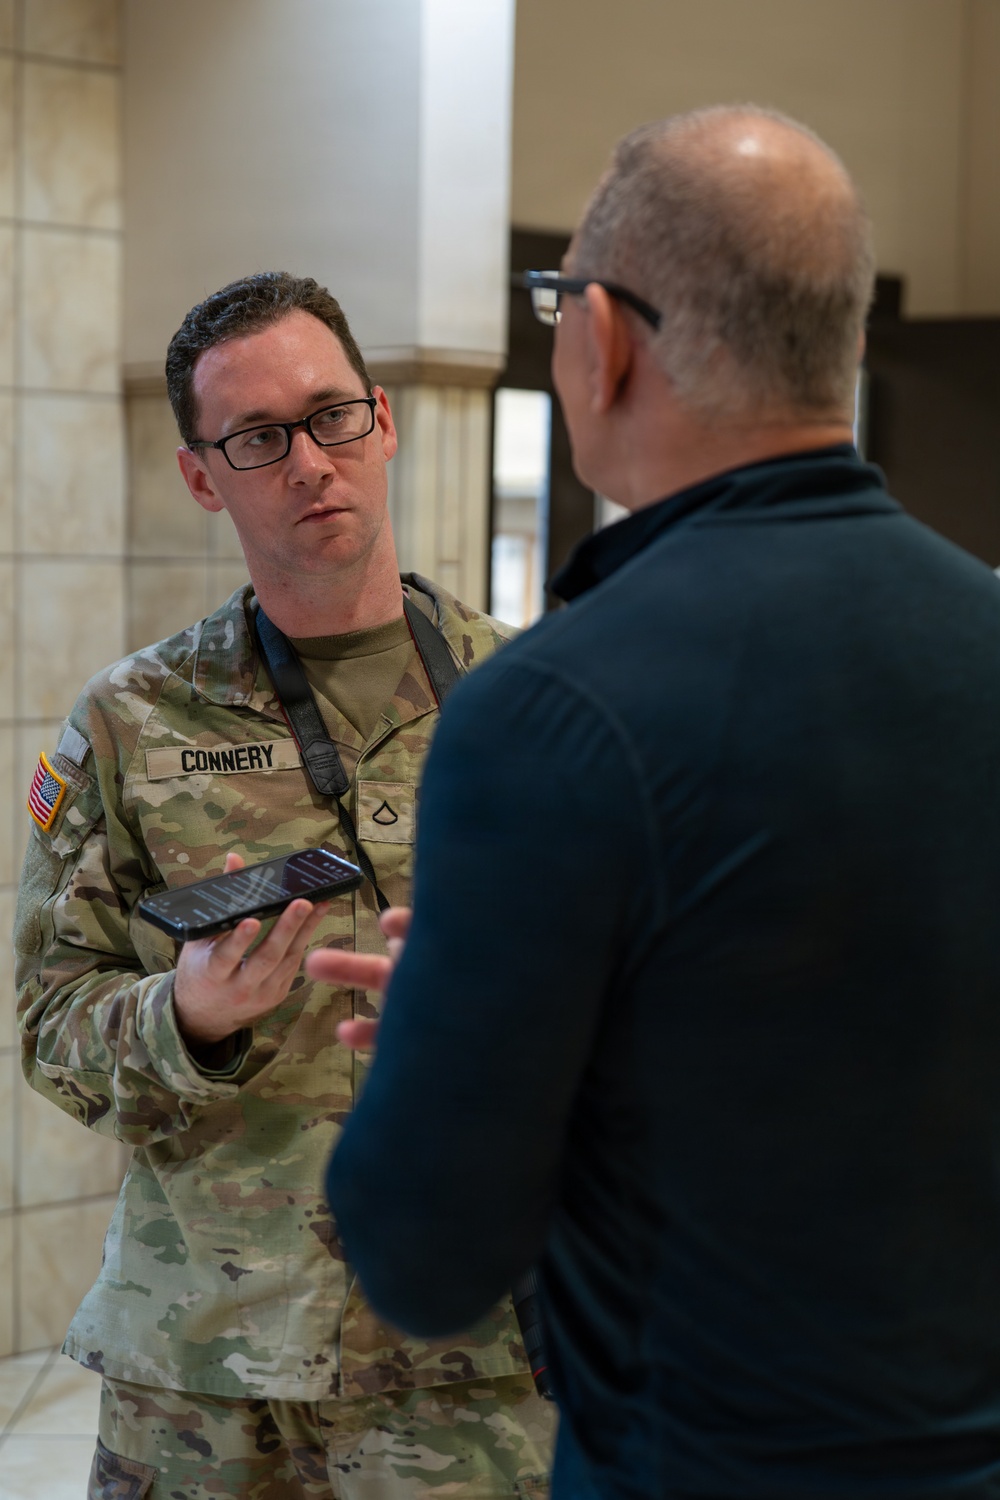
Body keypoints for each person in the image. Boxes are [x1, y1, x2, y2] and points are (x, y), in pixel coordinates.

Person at [315, 107, 1000, 1498]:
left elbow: (426, 1254)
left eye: (560, 296)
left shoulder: (552, 713)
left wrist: (468, 1051)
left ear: (607, 337)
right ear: (845, 345)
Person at [15, 272, 554, 1499]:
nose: (310, 461)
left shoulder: (539, 700)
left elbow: (660, 1001)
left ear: (384, 418)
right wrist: (183, 1020)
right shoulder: (132, 719)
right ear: (203, 474)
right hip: (202, 1365)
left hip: (473, 1363)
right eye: (259, 438)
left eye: (332, 417)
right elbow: (49, 1024)